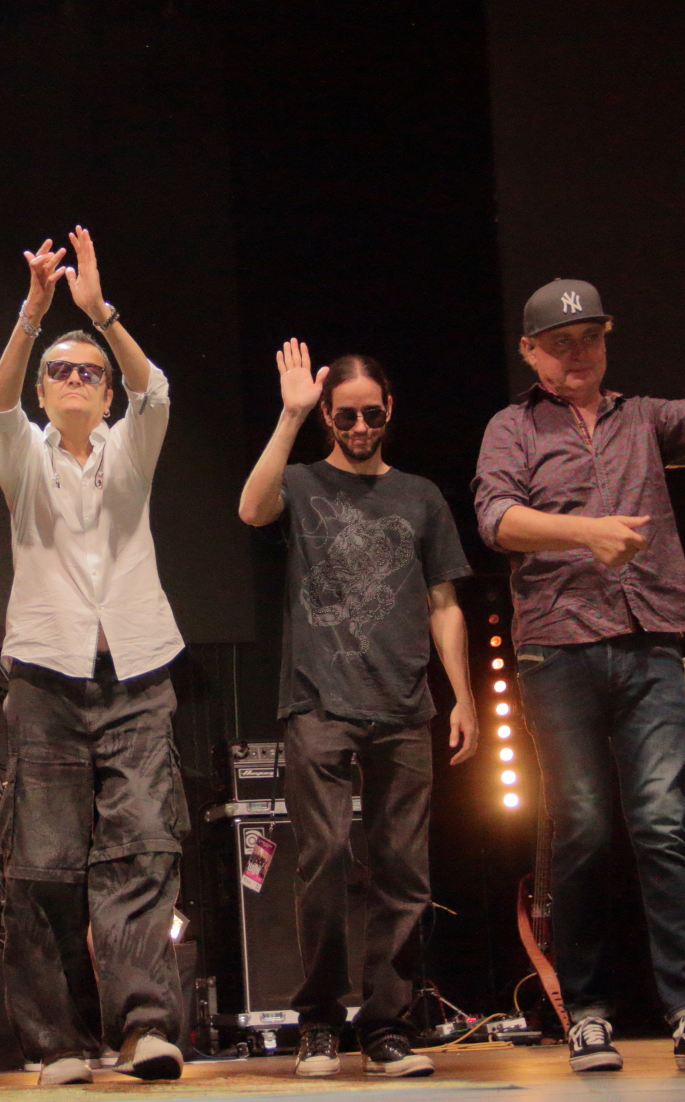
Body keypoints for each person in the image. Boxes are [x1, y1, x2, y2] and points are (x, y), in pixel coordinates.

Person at [471, 277, 685, 1074]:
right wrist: (584, 533)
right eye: (560, 344)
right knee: (585, 826)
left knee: (663, 822)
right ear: (530, 351)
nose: (578, 355)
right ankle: (587, 1013)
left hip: (649, 638)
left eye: (590, 339)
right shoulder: (513, 426)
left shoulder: (642, 417)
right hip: (557, 649)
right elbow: (496, 520)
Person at [0, 227, 187, 1087]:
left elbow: (155, 389)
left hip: (136, 671)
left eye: (88, 373)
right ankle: (58, 1040)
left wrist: (100, 315)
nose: (75, 379)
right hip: (46, 678)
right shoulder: (23, 454)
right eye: (59, 371)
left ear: (105, 396)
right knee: (45, 861)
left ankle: (145, 1027)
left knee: (143, 848)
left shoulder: (130, 446)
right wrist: (33, 316)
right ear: (43, 390)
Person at [237, 342, 478, 1078]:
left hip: (403, 704)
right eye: (346, 416)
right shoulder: (302, 482)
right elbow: (251, 510)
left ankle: (386, 1026)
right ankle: (318, 1021)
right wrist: (289, 416)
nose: (362, 426)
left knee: (405, 872)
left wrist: (463, 696)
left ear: (390, 409)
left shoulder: (421, 496)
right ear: (329, 418)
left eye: (373, 413)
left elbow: (445, 603)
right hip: (319, 700)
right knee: (325, 860)